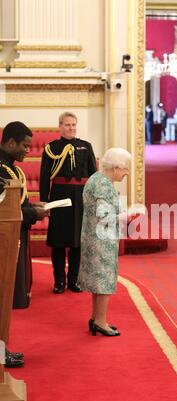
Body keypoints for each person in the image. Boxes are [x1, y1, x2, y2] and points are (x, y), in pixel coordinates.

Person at [0, 121, 49, 367]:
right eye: (24, 146)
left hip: (13, 238)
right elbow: (4, 210)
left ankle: (2, 349)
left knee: (5, 299)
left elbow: (17, 203)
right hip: (3, 241)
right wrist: (33, 215)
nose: (28, 151)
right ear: (10, 143)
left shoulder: (11, 169)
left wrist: (34, 208)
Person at [40, 112, 97, 294]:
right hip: (59, 196)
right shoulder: (51, 148)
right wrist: (44, 202)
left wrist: (93, 200)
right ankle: (59, 281)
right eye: (67, 125)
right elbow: (44, 177)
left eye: (73, 125)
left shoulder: (85, 146)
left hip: (81, 197)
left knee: (77, 241)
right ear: (60, 126)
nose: (71, 128)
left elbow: (93, 176)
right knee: (58, 241)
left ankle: (74, 280)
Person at [78, 148, 133, 336]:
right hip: (101, 240)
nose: (127, 173)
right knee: (103, 280)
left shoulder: (96, 178)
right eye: (125, 168)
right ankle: (100, 322)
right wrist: (126, 216)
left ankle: (96, 318)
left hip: (93, 236)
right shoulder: (103, 185)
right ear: (116, 167)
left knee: (97, 280)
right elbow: (104, 216)